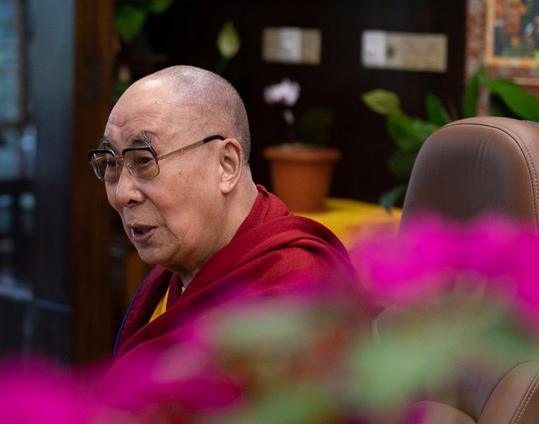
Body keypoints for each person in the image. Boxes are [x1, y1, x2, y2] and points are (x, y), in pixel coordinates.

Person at [89, 65, 361, 386]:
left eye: (144, 160)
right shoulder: (178, 270)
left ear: (226, 165)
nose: (123, 194)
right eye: (110, 164)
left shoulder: (297, 289)